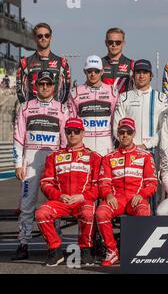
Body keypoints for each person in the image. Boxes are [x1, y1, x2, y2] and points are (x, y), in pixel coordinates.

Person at [12, 70, 69, 260]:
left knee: (54, 204)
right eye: (41, 84)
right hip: (30, 161)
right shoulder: (26, 108)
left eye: (48, 84)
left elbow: (65, 140)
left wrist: (62, 165)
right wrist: (18, 163)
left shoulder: (62, 109)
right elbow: (18, 138)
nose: (45, 87)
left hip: (53, 162)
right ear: (36, 86)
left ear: (54, 86)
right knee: (27, 204)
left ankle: (55, 244)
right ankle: (23, 243)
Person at [36, 118, 101, 267]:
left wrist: (83, 196)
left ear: (83, 133)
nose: (72, 134)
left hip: (82, 200)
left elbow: (98, 186)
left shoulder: (94, 157)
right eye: (69, 131)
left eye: (76, 131)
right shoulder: (54, 157)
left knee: (89, 213)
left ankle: (86, 249)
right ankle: (55, 250)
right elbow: (45, 183)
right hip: (61, 201)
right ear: (64, 133)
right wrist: (59, 196)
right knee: (41, 213)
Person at [95, 118, 158, 266]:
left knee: (143, 212)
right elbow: (104, 182)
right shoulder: (109, 157)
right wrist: (108, 194)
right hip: (116, 198)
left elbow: (152, 183)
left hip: (136, 198)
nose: (125, 135)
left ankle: (137, 251)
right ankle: (112, 251)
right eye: (122, 132)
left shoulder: (145, 156)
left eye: (128, 132)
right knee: (101, 212)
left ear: (134, 133)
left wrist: (142, 195)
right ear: (117, 134)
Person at [67, 55, 118, 156]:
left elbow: (115, 121)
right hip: (84, 146)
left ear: (102, 72)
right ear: (84, 71)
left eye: (96, 71)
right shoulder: (75, 93)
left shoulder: (112, 92)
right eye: (89, 71)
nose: (93, 74)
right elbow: (71, 122)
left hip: (106, 146)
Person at [113, 59, 168, 151]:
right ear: (133, 76)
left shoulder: (161, 98)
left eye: (145, 72)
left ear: (151, 76)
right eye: (138, 72)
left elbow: (164, 128)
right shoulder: (124, 97)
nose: (141, 76)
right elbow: (116, 127)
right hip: (129, 151)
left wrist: (146, 145)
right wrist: (130, 145)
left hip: (153, 151)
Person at [16, 22, 71, 103]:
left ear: (50, 38)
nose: (43, 38)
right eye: (40, 36)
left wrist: (60, 107)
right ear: (35, 38)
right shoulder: (24, 63)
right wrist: (27, 108)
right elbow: (19, 90)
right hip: (33, 111)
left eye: (47, 35)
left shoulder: (62, 62)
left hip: (54, 111)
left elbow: (66, 90)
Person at [102, 27, 134, 93]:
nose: (114, 45)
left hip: (124, 102)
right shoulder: (99, 63)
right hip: (105, 102)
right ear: (106, 43)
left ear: (123, 43)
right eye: (110, 42)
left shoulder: (131, 64)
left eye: (118, 42)